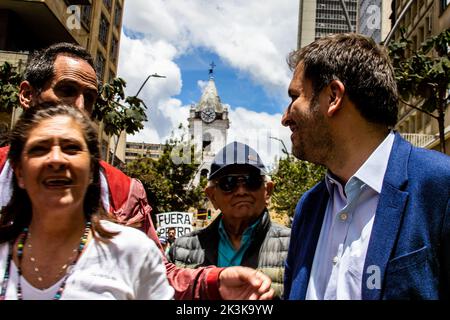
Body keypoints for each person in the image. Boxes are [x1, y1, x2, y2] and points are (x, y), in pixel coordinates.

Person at [0, 42, 274, 300]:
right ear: (26, 94)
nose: (80, 107)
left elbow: (155, 273)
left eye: (90, 98)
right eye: (67, 90)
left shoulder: (123, 193)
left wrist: (213, 282)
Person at [281, 33, 450, 300]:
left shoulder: (440, 186)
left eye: (294, 97)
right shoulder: (309, 206)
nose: (285, 117)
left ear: (333, 96)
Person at [0, 104, 174, 299]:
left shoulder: (133, 252)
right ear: (19, 172)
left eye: (71, 148)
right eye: (39, 149)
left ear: (92, 170)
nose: (56, 159)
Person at [168, 142, 290, 299]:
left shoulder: (295, 245)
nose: (241, 191)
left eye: (251, 181)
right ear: (212, 196)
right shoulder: (181, 250)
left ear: (268, 191)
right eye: (228, 183)